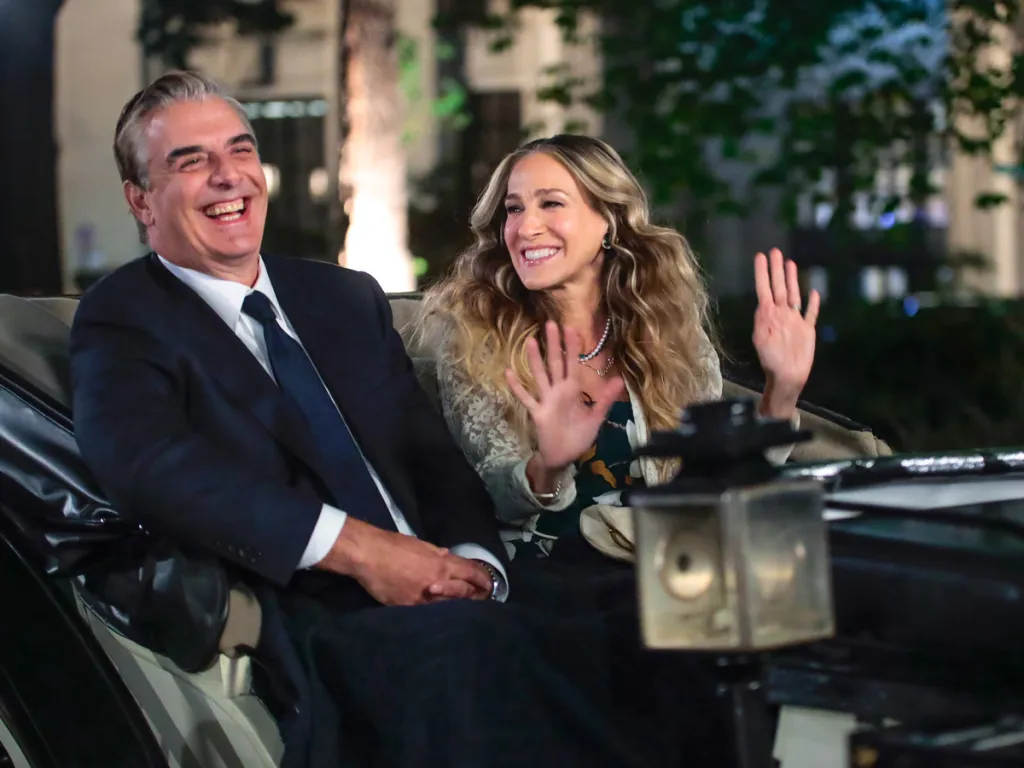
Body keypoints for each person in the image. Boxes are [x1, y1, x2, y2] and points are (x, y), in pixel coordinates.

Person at [71, 73, 701, 768]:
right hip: (322, 605)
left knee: (665, 618)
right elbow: (148, 466)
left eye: (240, 149)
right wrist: (364, 552)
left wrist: (475, 564)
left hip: (452, 584)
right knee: (479, 653)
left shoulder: (340, 296)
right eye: (191, 161)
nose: (229, 176)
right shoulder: (124, 316)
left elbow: (432, 459)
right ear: (141, 200)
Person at [420, 134, 819, 562]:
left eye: (551, 203)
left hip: (667, 566)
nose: (526, 227)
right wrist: (548, 465)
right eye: (514, 209)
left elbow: (714, 481)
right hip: (544, 575)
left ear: (608, 221)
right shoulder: (473, 335)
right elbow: (488, 495)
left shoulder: (666, 329)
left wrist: (783, 390)